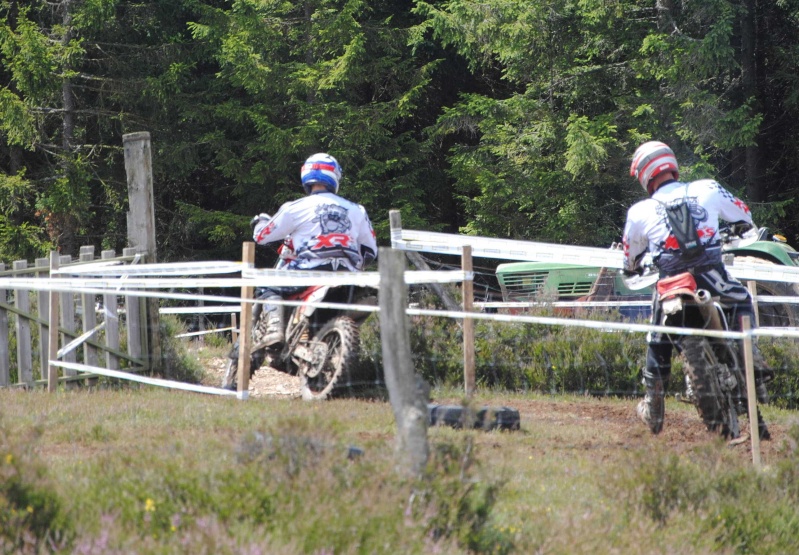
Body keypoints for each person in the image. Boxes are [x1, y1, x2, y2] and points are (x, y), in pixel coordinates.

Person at [623, 140, 772, 434]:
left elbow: (630, 259)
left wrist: (637, 265)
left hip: (670, 281)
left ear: (644, 175)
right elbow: (744, 215)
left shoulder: (639, 212)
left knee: (657, 334)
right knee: (741, 298)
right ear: (672, 165)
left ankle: (653, 402)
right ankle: (750, 351)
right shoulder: (708, 188)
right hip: (709, 274)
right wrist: (734, 229)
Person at [249, 152, 377, 349]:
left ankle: (275, 329)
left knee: (267, 283)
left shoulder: (295, 207)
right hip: (350, 277)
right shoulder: (357, 210)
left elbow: (261, 236)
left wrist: (260, 222)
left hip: (308, 273)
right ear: (335, 177)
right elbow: (370, 251)